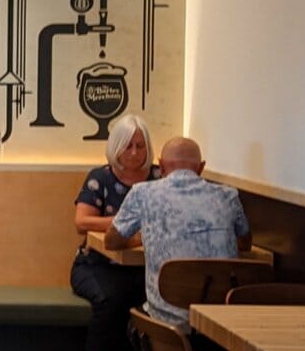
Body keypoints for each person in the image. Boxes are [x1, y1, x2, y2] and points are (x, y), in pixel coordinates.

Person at [106, 137, 252, 331]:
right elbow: (245, 243)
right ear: (201, 168)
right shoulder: (228, 196)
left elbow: (112, 241)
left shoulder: (143, 193)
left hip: (168, 326)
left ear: (161, 166)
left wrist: (141, 238)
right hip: (222, 327)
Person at [68, 115, 158, 351]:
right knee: (110, 299)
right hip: (96, 264)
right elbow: (82, 222)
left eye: (140, 146)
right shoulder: (100, 178)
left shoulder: (159, 179)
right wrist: (126, 221)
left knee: (159, 300)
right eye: (128, 146)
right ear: (116, 147)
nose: (134, 152)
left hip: (145, 267)